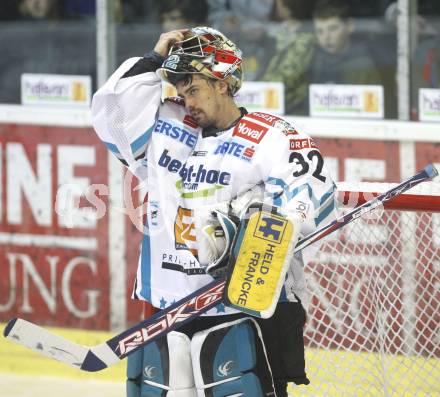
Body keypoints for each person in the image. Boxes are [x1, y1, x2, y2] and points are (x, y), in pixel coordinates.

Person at [91, 26, 338, 397]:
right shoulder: (168, 127)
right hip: (172, 304)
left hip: (245, 311)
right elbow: (110, 116)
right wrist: (154, 59)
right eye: (180, 91)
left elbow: (309, 204)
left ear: (222, 84)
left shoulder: (272, 136)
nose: (186, 101)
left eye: (194, 90)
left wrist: (247, 230)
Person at [260, 0, 316, 115]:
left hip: (292, 106)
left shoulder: (305, 38)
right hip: (271, 100)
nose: (274, 4)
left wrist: (256, 91)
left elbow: (289, 75)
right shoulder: (278, 33)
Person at [309, 0, 382, 85]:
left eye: (333, 28)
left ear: (350, 26)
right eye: (319, 31)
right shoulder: (314, 60)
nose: (326, 37)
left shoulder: (362, 64)